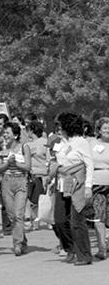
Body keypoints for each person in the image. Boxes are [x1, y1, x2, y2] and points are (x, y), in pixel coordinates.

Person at [52, 112, 94, 265]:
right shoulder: (61, 142)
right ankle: (70, 248)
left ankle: (84, 255)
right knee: (59, 220)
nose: (58, 128)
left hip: (78, 184)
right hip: (62, 184)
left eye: (60, 125)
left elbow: (89, 164)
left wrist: (88, 186)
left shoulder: (80, 142)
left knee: (77, 222)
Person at [0, 122, 32, 256]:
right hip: (6, 183)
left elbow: (27, 167)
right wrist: (7, 164)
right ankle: (22, 240)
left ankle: (17, 244)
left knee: (18, 214)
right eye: (4, 133)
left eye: (8, 133)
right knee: (11, 216)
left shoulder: (24, 147)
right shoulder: (1, 150)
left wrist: (15, 163)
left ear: (15, 135)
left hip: (20, 182)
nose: (5, 135)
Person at [89, 117, 109, 260]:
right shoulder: (91, 143)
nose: (107, 131)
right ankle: (102, 248)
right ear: (99, 130)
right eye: (105, 128)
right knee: (98, 215)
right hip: (97, 183)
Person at [25, 120, 49, 230]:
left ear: (31, 131)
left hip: (39, 175)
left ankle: (38, 220)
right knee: (33, 199)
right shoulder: (28, 144)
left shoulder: (42, 143)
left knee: (36, 200)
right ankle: (35, 220)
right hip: (36, 174)